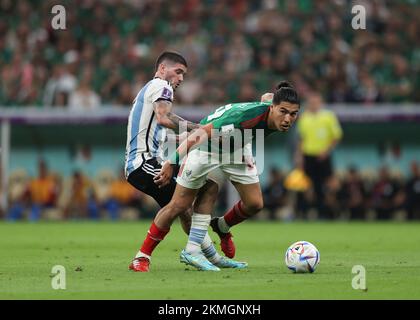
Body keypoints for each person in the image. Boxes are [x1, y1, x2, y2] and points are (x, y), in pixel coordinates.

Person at [148, 81, 300, 271]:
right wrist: (172, 161)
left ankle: (221, 226)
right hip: (207, 146)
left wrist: (279, 92)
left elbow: (267, 97)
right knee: (180, 204)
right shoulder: (242, 118)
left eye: (293, 114)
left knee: (255, 204)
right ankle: (159, 254)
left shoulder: (270, 105)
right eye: (283, 111)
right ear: (272, 108)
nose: (287, 119)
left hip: (237, 147)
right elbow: (200, 133)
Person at [125, 51, 240, 272]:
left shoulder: (149, 89)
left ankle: (210, 257)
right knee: (184, 201)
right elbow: (164, 118)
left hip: (144, 162)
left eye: (183, 75)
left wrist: (191, 136)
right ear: (161, 69)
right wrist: (199, 129)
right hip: (143, 163)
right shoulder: (162, 86)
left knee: (190, 202)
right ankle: (141, 258)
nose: (181, 79)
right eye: (178, 72)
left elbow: (157, 131)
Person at [296, 92, 343, 219]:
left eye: (316, 102)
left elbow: (336, 136)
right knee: (308, 186)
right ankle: (309, 212)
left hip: (324, 156)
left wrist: (326, 151)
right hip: (308, 156)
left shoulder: (328, 116)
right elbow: (301, 139)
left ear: (321, 103)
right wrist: (299, 156)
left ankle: (333, 212)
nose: (313, 105)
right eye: (311, 102)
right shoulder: (304, 117)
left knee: (329, 185)